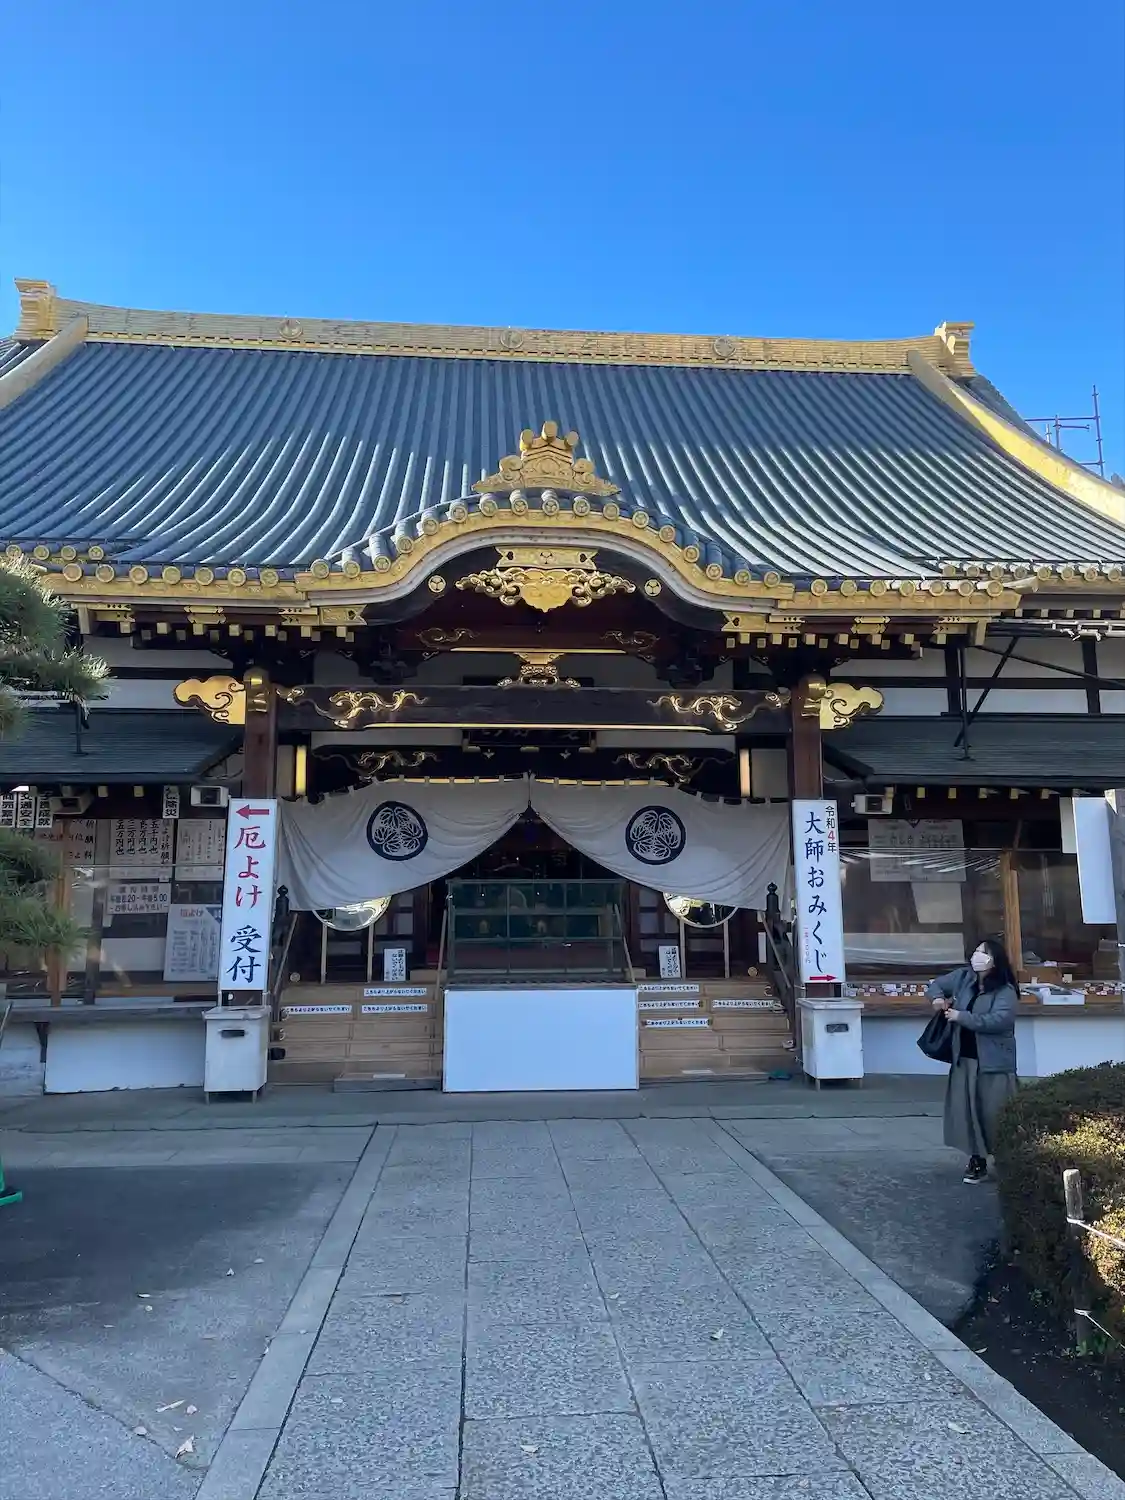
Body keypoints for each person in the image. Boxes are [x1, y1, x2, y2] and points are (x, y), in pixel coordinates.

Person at [928, 938, 1019, 1183]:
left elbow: (999, 1021)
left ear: (994, 960)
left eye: (983, 952)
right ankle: (977, 1159)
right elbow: (936, 984)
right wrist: (937, 998)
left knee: (994, 1113)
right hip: (965, 1058)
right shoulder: (964, 977)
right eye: (976, 951)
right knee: (967, 1113)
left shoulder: (1005, 990)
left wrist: (962, 1016)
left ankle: (1008, 1159)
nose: (977, 956)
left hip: (993, 1063)